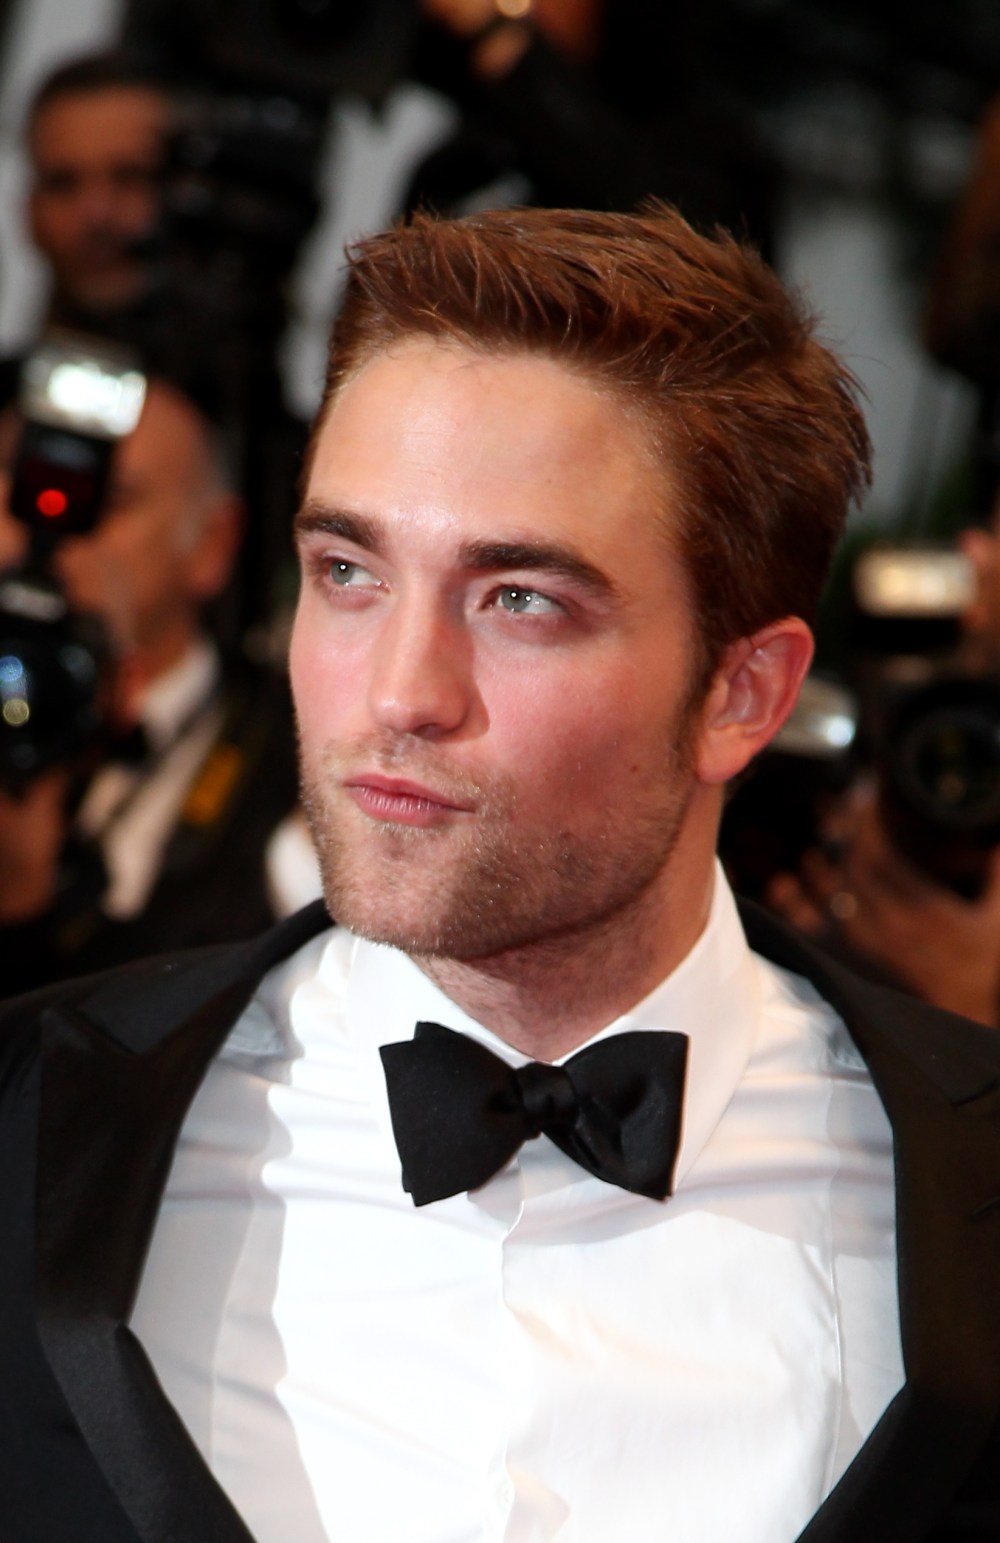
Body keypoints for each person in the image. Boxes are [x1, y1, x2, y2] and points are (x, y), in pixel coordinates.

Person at [0, 204, 997, 1543]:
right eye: (348, 571)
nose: (399, 692)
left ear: (742, 695)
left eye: (520, 599)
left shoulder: (968, 1190)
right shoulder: (28, 1123)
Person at [0, 376, 299, 994]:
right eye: (22, 486)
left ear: (213, 543)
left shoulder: (290, 773)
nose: (57, 535)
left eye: (110, 501)